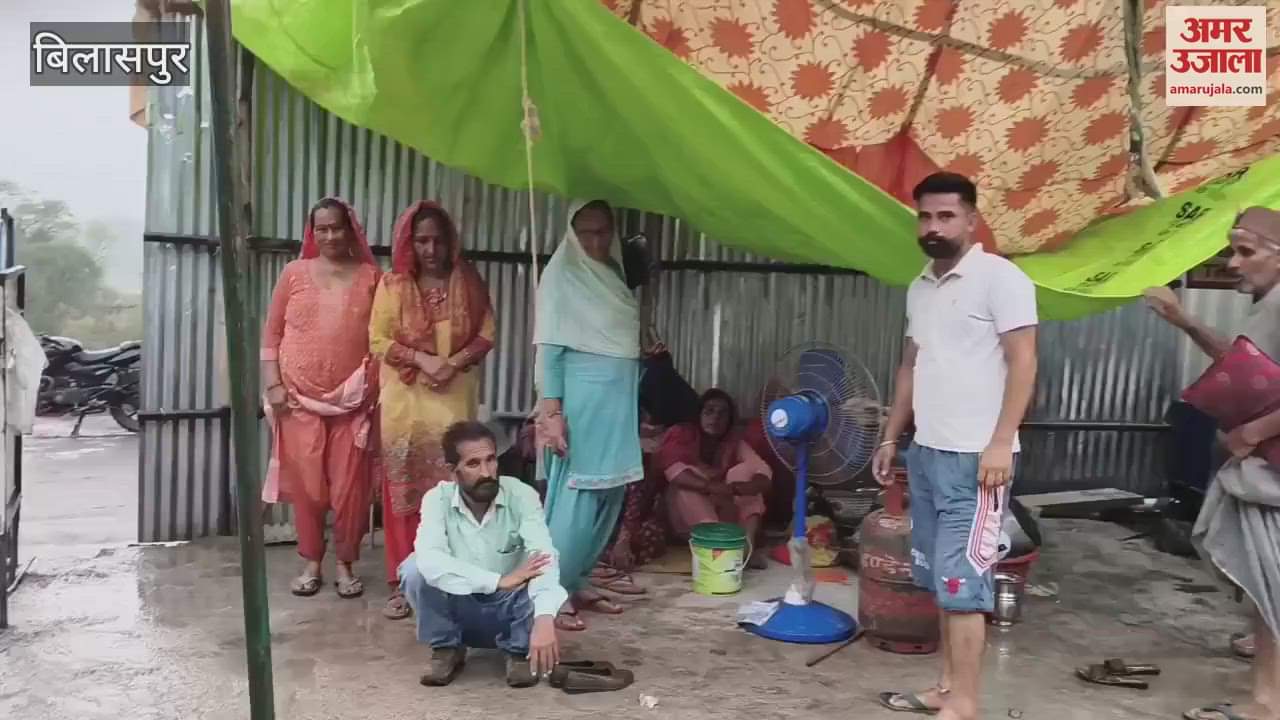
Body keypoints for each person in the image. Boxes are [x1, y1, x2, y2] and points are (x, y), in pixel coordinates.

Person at [872, 172, 1038, 720]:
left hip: (978, 459)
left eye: (946, 216)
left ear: (971, 219)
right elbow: (909, 367)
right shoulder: (920, 287)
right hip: (927, 452)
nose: (934, 226)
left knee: (964, 580)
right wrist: (893, 436)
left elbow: (1023, 362)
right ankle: (946, 686)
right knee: (939, 577)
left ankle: (965, 703)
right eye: (925, 216)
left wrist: (999, 442)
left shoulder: (1001, 278)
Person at [1146, 207, 1280, 720]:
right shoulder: (1267, 308)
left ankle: (1267, 704)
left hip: (1269, 468)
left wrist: (1252, 432)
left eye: (1246, 251)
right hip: (1263, 471)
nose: (1232, 263)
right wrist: (1184, 320)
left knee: (1271, 591)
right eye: (1232, 249)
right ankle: (1265, 697)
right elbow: (1244, 370)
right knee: (1266, 592)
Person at [370, 201, 495, 620]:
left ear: (451, 242)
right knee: (405, 494)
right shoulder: (392, 285)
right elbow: (377, 340)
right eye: (421, 239)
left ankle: (452, 582)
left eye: (438, 240)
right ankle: (403, 583)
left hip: (454, 399)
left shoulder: (470, 282)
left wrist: (452, 364)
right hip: (406, 407)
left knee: (453, 492)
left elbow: (486, 333)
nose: (430, 248)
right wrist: (423, 361)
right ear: (408, 241)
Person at [260, 197, 381, 599]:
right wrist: (273, 384)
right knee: (309, 488)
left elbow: (382, 338)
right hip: (296, 400)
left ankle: (346, 564)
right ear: (312, 232)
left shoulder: (371, 277)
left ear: (351, 230)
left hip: (354, 403)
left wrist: (373, 390)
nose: (329, 236)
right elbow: (271, 334)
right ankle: (311, 561)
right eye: (321, 229)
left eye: (337, 227)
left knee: (349, 489)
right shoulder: (293, 273)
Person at [534, 199, 644, 631]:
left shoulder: (613, 274)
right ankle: (549, 589)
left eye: (603, 232)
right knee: (579, 496)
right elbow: (550, 350)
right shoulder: (561, 276)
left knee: (610, 494)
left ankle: (576, 578)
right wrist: (552, 412)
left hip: (618, 398)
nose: (596, 241)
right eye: (587, 232)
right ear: (572, 233)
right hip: (583, 399)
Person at [398, 421, 564, 688]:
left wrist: (544, 618)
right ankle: (447, 648)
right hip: (460, 605)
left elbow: (545, 556)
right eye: (474, 464)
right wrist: (497, 580)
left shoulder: (521, 495)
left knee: (543, 567)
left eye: (490, 460)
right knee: (415, 569)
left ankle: (518, 650)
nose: (487, 472)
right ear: (453, 472)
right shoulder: (436, 499)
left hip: (512, 609)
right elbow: (430, 559)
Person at [660, 389, 772, 569]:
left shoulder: (732, 441)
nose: (715, 418)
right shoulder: (682, 434)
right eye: (709, 411)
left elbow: (762, 470)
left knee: (743, 473)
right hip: (686, 518)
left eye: (722, 413)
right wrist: (715, 487)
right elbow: (675, 473)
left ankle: (746, 548)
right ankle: (716, 547)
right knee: (687, 481)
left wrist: (745, 486)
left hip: (724, 515)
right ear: (699, 415)